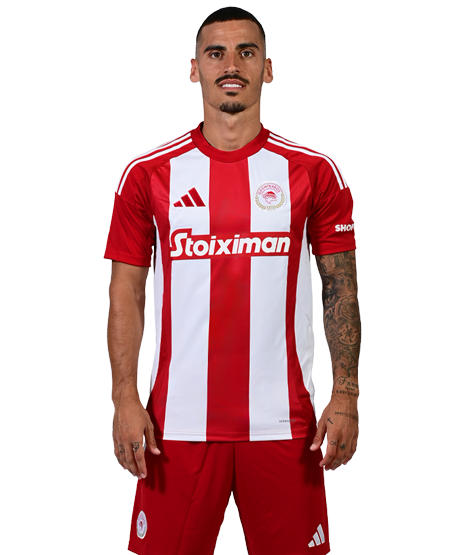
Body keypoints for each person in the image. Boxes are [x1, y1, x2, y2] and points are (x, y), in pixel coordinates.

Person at [104, 6, 361, 555]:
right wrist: (124, 396)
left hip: (284, 423)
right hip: (176, 425)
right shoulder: (148, 174)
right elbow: (126, 290)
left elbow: (340, 288)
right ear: (194, 67)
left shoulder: (313, 172)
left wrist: (346, 395)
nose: (231, 65)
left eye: (247, 52)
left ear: (267, 68)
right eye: (215, 52)